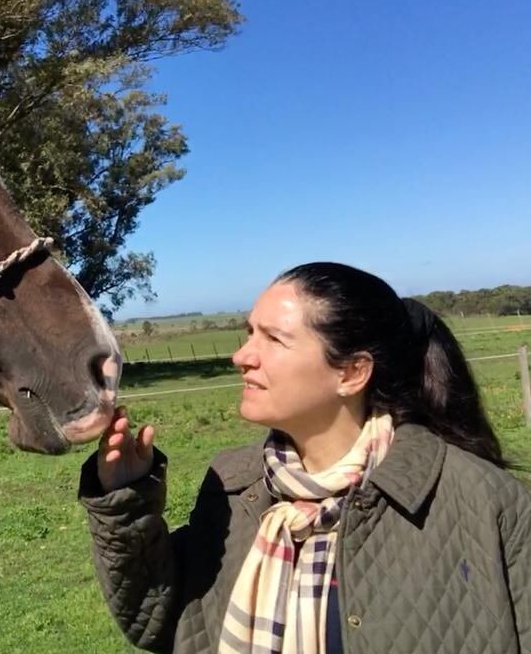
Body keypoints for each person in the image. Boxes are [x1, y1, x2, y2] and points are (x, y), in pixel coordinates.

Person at [79, 262, 530, 654]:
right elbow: (155, 620)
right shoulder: (234, 485)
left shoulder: (484, 501)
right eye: (249, 333)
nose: (241, 356)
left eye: (273, 339)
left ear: (352, 373)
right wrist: (126, 500)